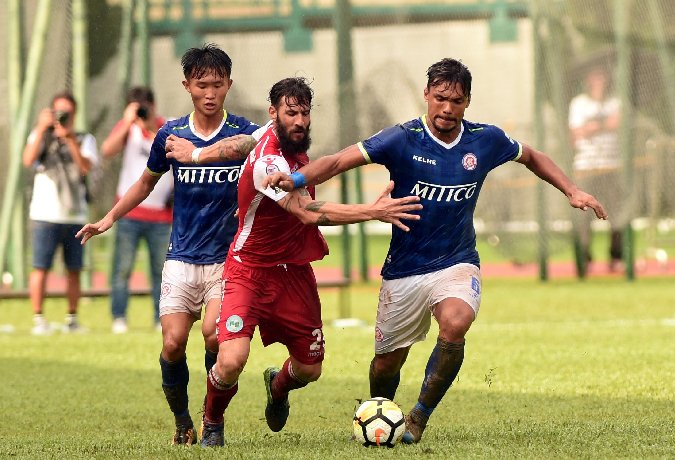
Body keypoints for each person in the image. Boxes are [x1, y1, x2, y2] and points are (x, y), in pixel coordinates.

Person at [264, 58, 608, 444]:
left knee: (457, 322)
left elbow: (532, 157)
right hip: (404, 269)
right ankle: (380, 412)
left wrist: (572, 190)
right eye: (440, 98)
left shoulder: (485, 140)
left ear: (467, 102)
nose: (447, 108)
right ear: (426, 95)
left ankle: (417, 419)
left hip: (457, 262)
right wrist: (294, 178)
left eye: (456, 101)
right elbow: (337, 161)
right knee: (385, 365)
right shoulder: (402, 138)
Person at [195, 77, 422, 448]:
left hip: (294, 273)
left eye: (304, 113)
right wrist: (373, 211)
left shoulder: (283, 138)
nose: (299, 121)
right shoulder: (269, 162)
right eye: (290, 113)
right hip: (248, 270)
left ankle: (278, 386)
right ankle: (213, 420)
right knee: (232, 358)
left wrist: (196, 153)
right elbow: (306, 212)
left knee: (309, 368)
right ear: (274, 113)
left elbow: (235, 144)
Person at [76, 44, 260, 446]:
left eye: (217, 85)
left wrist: (199, 155)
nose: (210, 93)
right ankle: (182, 421)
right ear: (187, 86)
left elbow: (256, 146)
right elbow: (145, 183)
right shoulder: (170, 134)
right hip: (181, 259)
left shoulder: (244, 130)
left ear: (229, 84)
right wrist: (109, 218)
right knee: (173, 344)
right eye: (201, 85)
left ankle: (213, 418)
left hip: (227, 261)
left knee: (214, 335)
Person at [22, 91, 99, 335]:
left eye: (67, 112)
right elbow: (28, 160)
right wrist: (41, 127)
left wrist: (70, 140)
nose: (62, 116)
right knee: (40, 266)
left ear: (75, 113)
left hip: (74, 215)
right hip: (44, 213)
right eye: (58, 112)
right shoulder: (40, 135)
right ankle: (38, 319)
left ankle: (72, 319)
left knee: (74, 269)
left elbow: (86, 168)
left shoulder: (84, 138)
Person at [101, 86, 173, 333]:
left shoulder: (168, 128)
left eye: (145, 107)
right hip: (129, 214)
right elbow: (107, 151)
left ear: (154, 106)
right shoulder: (128, 129)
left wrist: (152, 125)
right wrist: (127, 122)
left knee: (161, 272)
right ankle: (118, 316)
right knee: (122, 268)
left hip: (162, 216)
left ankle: (159, 317)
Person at [569, 67, 623, 273]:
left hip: (611, 165)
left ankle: (616, 257)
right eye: (595, 76)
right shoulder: (579, 103)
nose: (599, 80)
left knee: (617, 214)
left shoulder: (615, 102)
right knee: (582, 217)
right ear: (589, 79)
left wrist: (592, 126)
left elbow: (617, 123)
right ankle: (585, 260)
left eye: (602, 76)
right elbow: (576, 134)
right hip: (586, 167)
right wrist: (603, 125)